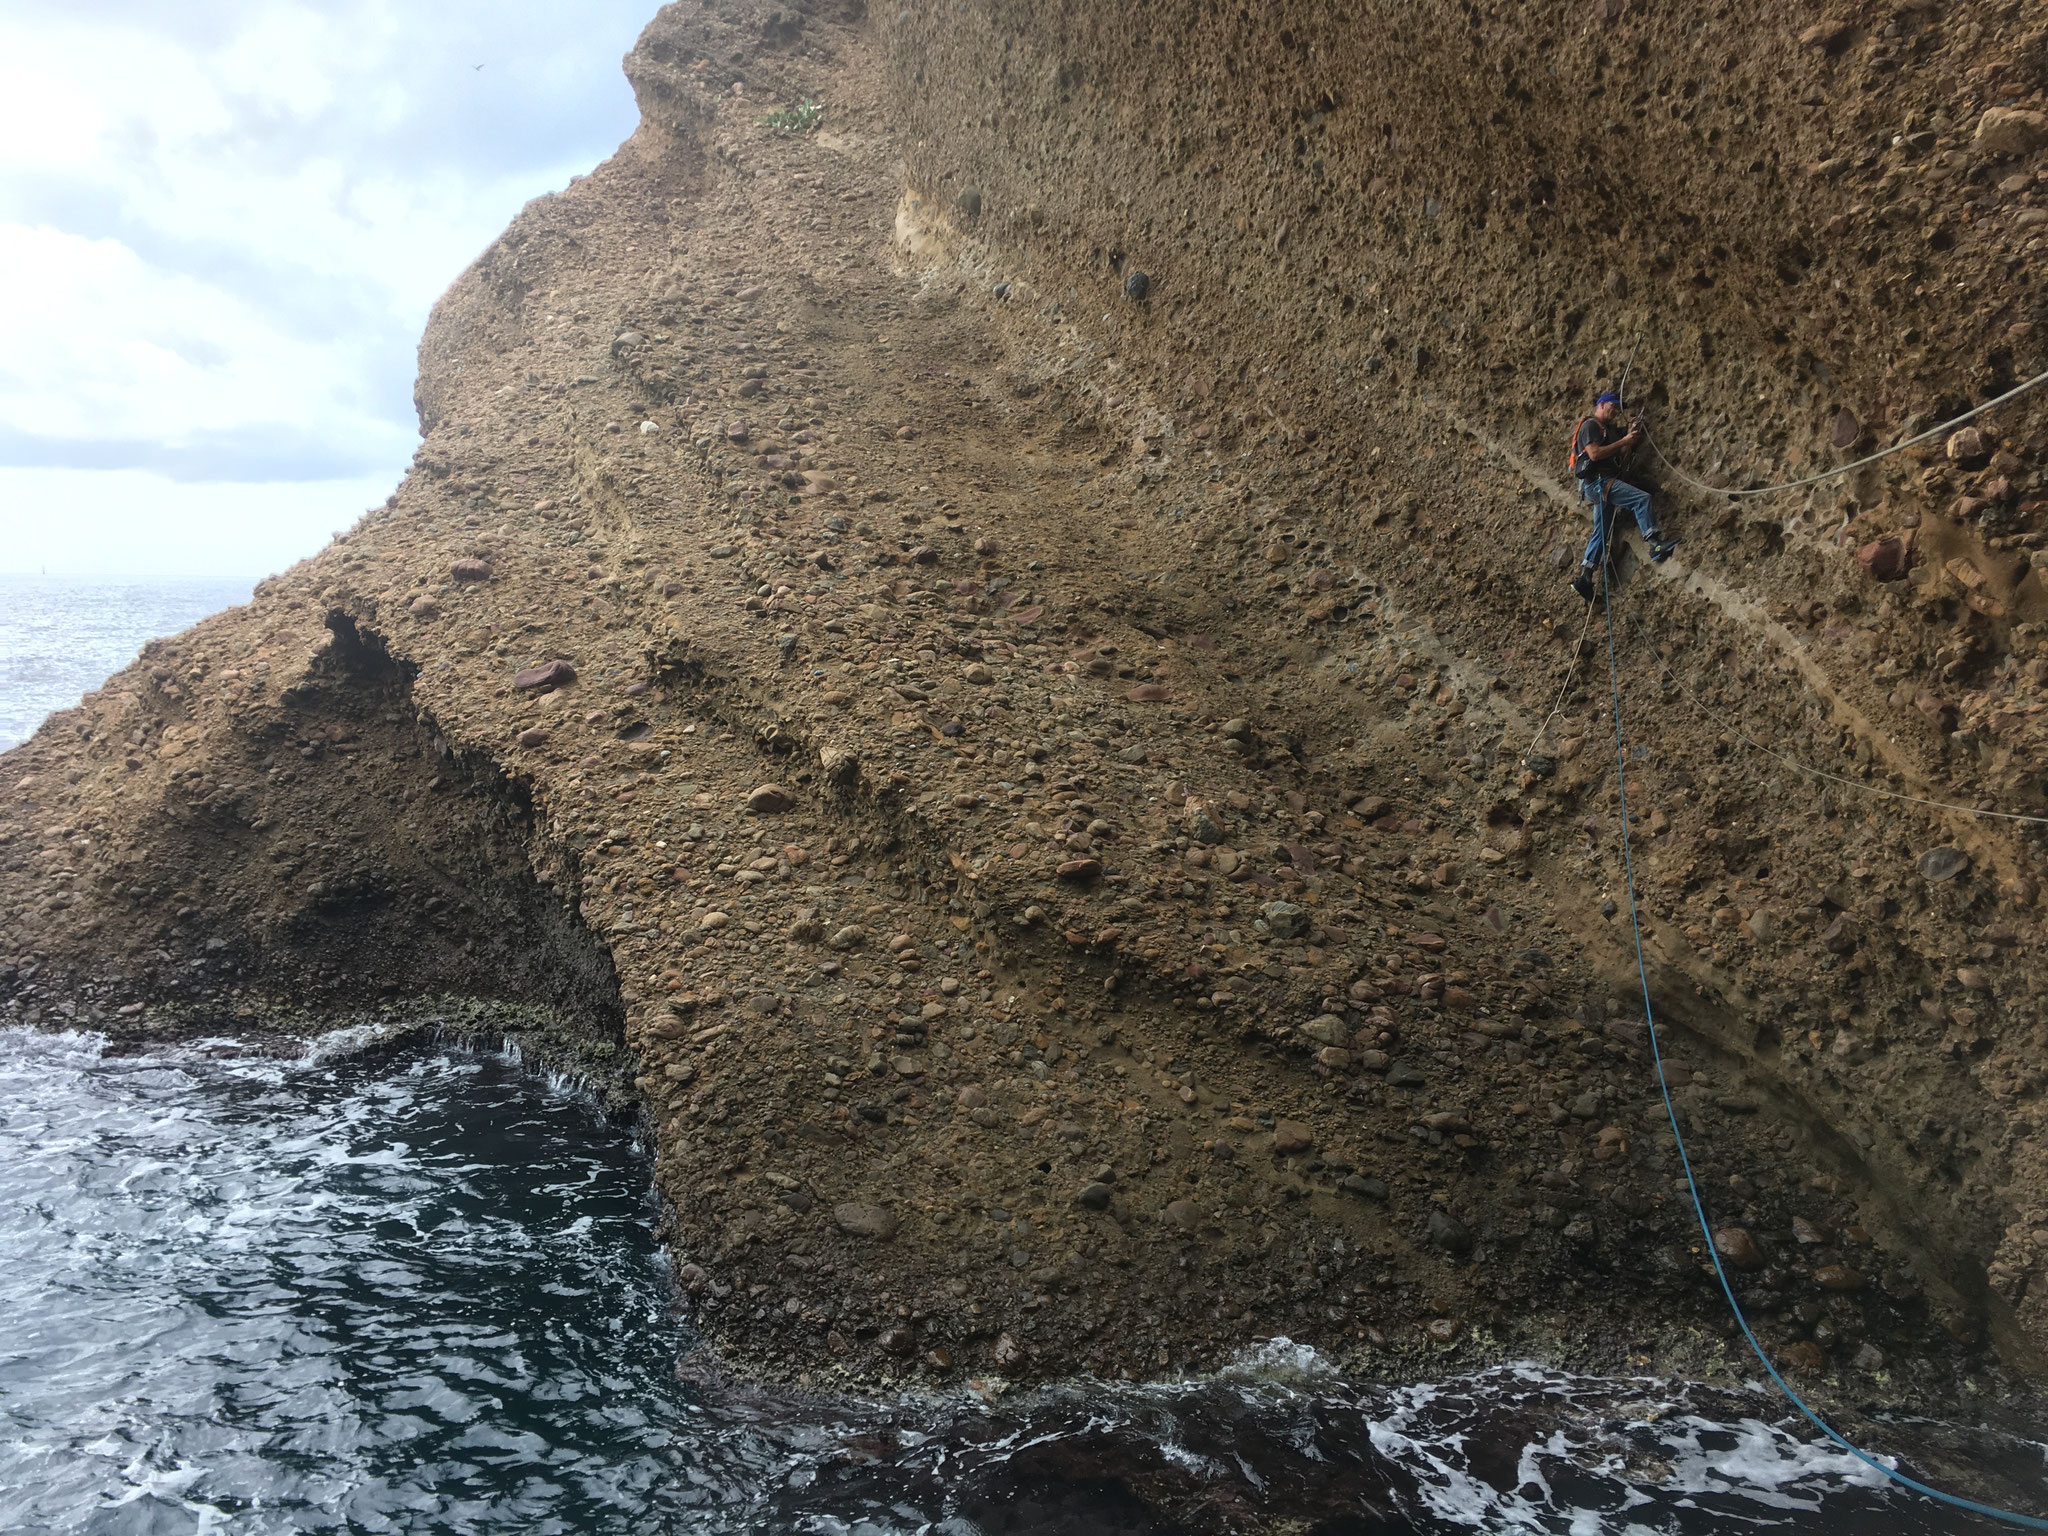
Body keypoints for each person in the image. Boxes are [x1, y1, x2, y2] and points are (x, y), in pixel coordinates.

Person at [1570, 391, 1678, 602]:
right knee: (1641, 499)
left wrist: (1629, 437)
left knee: (1601, 532)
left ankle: (1585, 577)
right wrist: (1624, 441)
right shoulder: (1590, 425)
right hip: (1599, 482)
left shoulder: (1608, 430)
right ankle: (1655, 544)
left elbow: (1620, 452)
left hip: (1600, 484)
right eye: (1613, 406)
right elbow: (1594, 454)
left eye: (1618, 409)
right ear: (1601, 404)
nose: (1615, 411)